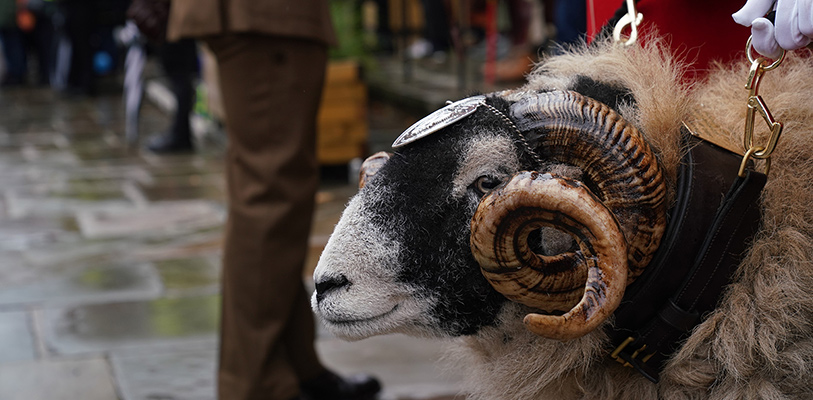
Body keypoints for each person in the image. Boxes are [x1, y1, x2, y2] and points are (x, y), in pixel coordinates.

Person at [166, 2, 382, 400]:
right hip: (263, 17)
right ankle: (256, 385)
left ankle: (296, 366)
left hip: (264, 19)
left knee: (275, 190)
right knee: (271, 194)